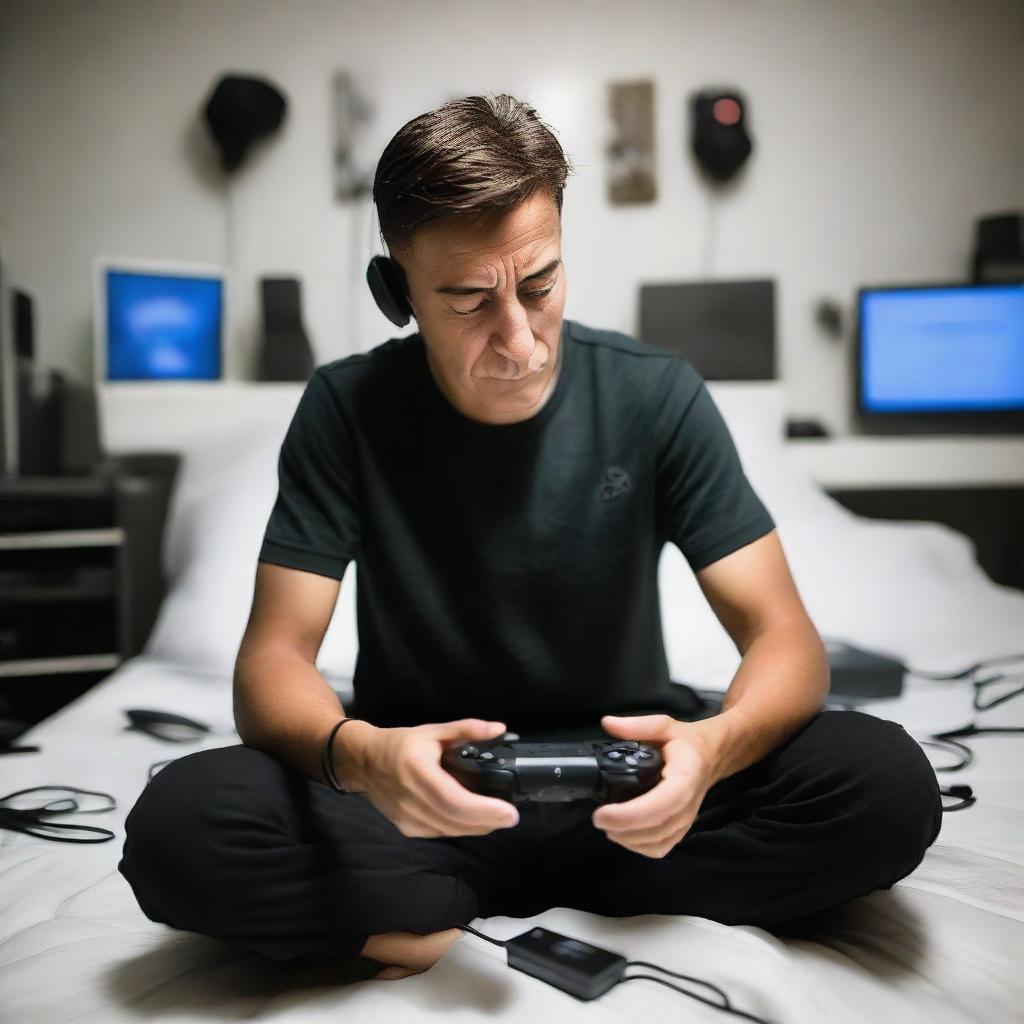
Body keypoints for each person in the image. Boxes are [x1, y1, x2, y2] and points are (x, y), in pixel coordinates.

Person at [118, 93, 943, 983]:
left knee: (885, 783)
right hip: (419, 793)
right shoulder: (344, 409)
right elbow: (274, 657)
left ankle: (424, 904)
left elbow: (784, 637)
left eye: (540, 285)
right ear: (396, 293)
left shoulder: (654, 395)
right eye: (470, 300)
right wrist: (362, 756)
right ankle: (575, 891)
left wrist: (710, 753)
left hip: (629, 782)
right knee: (181, 823)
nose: (520, 342)